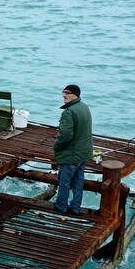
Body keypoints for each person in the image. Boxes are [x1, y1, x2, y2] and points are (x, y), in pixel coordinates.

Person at [53, 84, 93, 215]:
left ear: (75, 94)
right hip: (84, 153)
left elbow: (65, 135)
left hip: (72, 155)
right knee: (78, 182)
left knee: (64, 182)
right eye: (63, 92)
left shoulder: (69, 112)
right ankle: (75, 208)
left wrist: (57, 147)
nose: (64, 95)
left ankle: (61, 207)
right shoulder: (84, 107)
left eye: (67, 93)